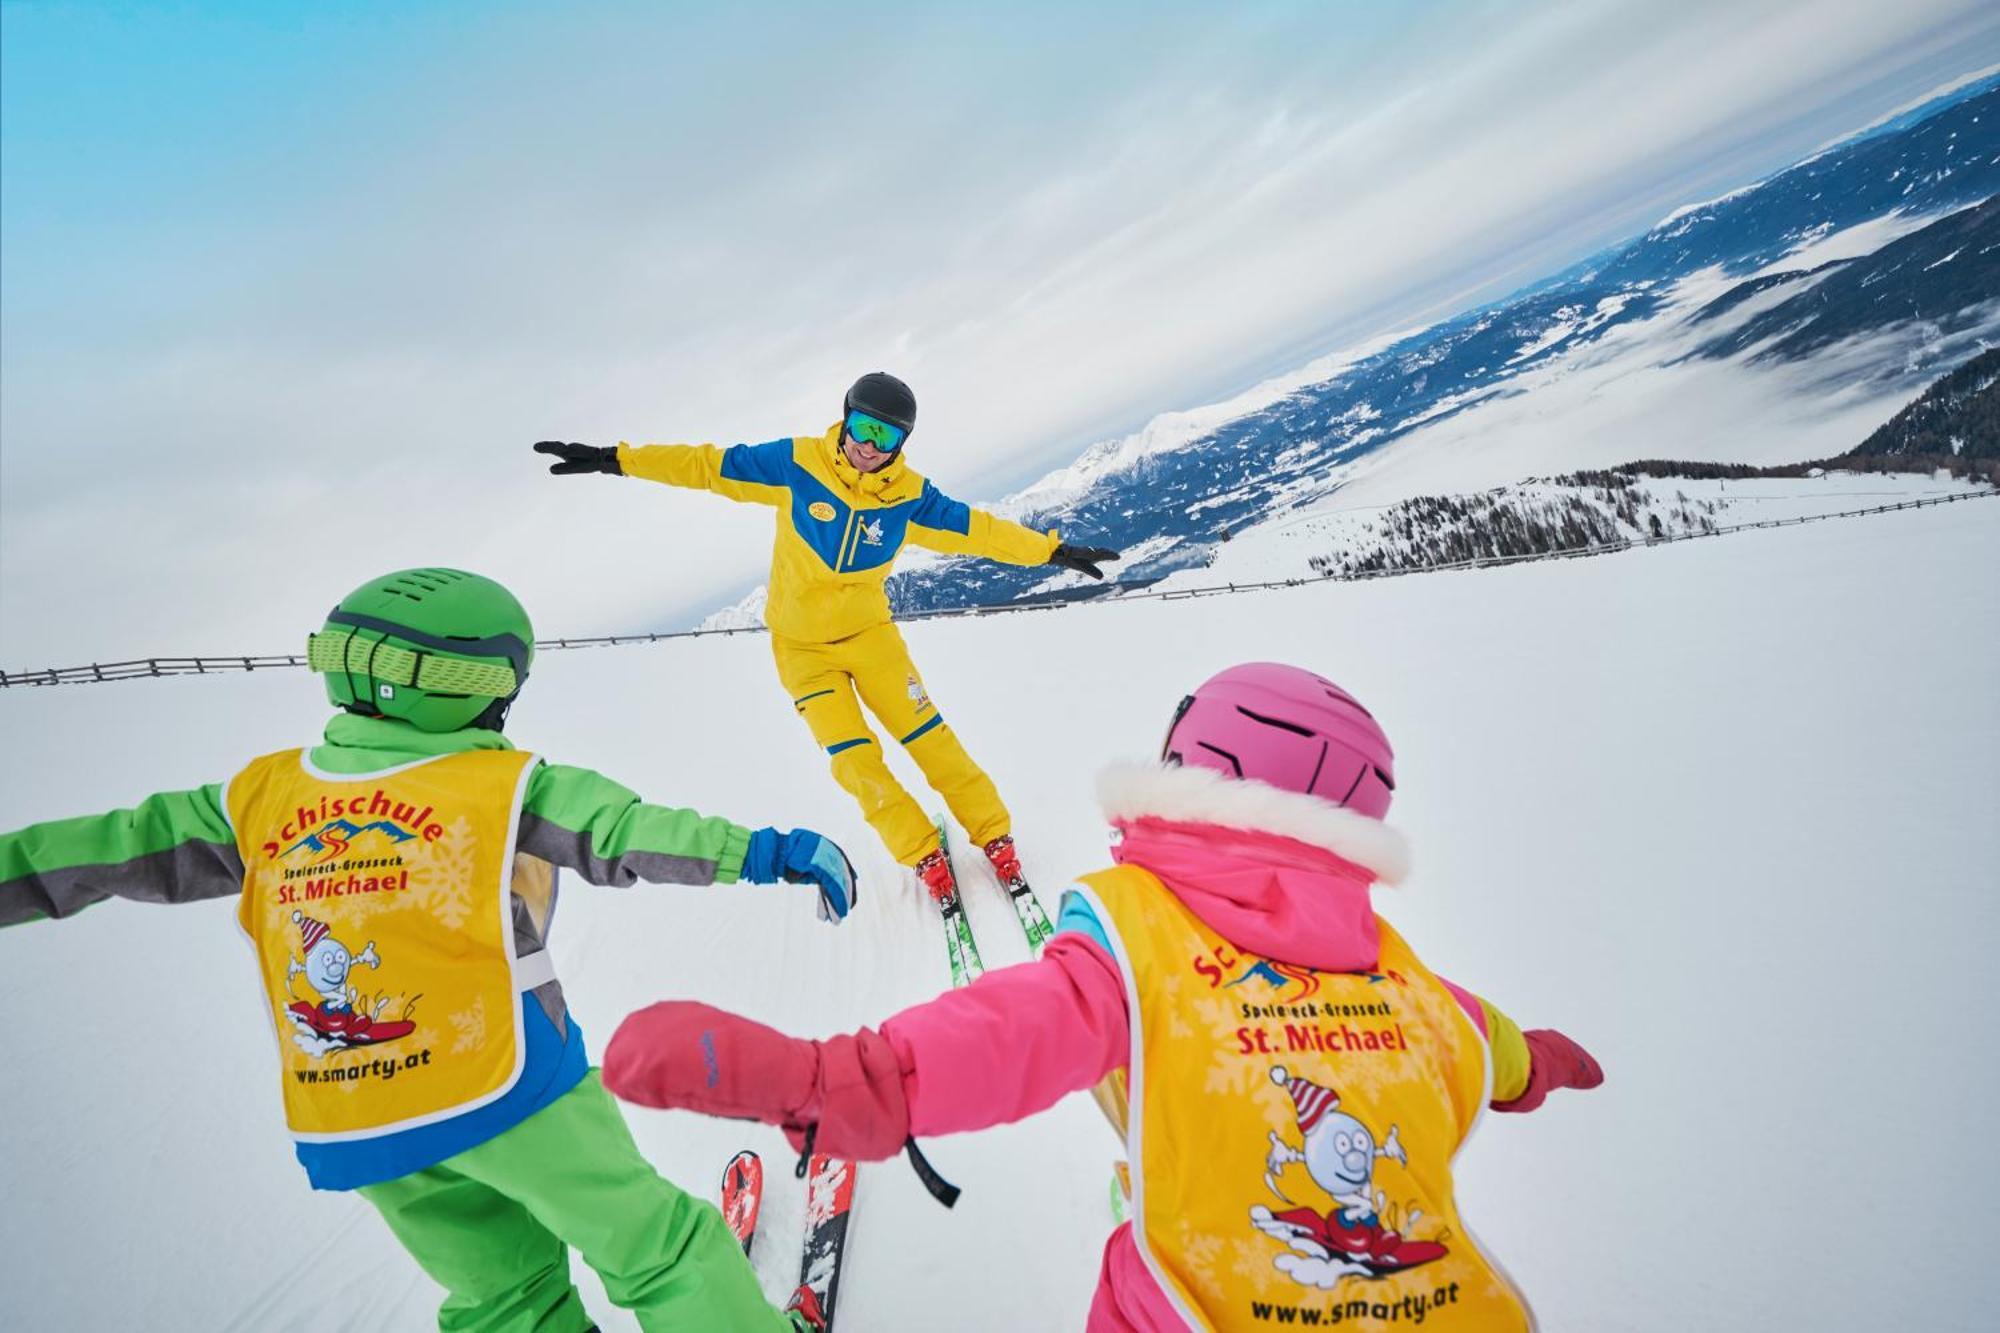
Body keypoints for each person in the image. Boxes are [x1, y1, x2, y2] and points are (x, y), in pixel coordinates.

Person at [600, 662, 1605, 1330]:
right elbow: (1493, 1044)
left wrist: (838, 1078)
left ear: (1186, 770)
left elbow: (1018, 1029)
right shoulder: (1406, 979)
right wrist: (1541, 1062)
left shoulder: (1140, 935)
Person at [0, 568, 858, 1332]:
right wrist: (770, 850)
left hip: (360, 1120)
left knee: (504, 1300)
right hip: (509, 1085)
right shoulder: (502, 783)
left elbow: (109, 843)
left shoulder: (258, 795)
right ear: (482, 688)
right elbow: (628, 831)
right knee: (654, 1245)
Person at [534, 372, 1121, 909]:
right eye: (861, 428)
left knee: (930, 740)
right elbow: (707, 465)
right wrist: (615, 459)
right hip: (801, 653)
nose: (869, 446)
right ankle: (923, 854)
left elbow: (976, 529)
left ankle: (995, 837)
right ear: (844, 419)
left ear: (901, 444)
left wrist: (1049, 550)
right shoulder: (797, 464)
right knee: (856, 762)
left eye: (885, 437)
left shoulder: (909, 497)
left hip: (871, 639)